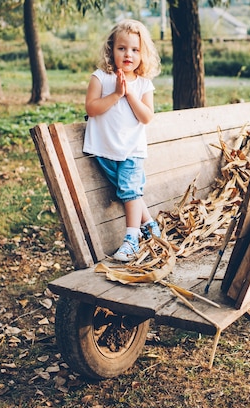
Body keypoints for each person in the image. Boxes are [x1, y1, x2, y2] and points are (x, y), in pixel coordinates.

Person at [83, 19, 161, 262]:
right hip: (104, 149)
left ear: (142, 54)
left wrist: (128, 94)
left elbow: (146, 116)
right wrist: (117, 93)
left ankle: (131, 239)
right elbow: (92, 108)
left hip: (131, 150)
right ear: (111, 49)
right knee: (129, 192)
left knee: (129, 191)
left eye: (135, 50)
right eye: (122, 48)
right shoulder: (100, 78)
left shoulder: (143, 85)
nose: (128, 54)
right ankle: (149, 225)